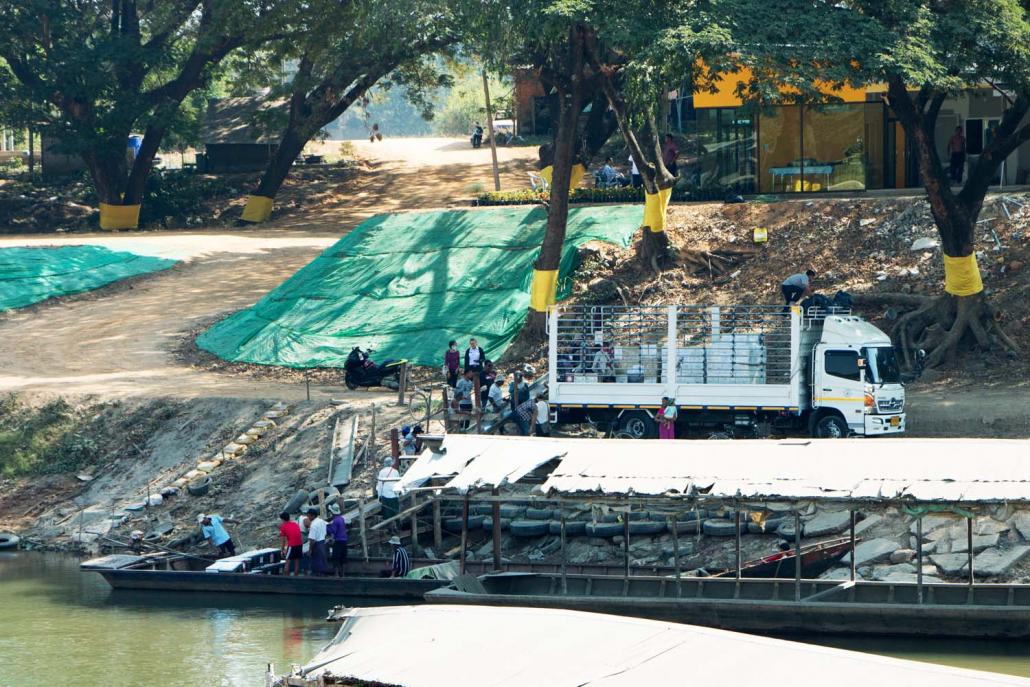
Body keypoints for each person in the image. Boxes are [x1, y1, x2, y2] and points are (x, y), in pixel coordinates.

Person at [304, 508, 329, 576]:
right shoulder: (321, 521)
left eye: (308, 516)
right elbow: (328, 525)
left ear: (312, 516)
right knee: (322, 559)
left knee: (317, 561)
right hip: (323, 542)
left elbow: (312, 540)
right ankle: (323, 574)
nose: (308, 517)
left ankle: (318, 576)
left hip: (317, 544)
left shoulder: (313, 525)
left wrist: (310, 550)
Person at [326, 503, 348, 577]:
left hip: (338, 541)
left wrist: (326, 527)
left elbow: (332, 531)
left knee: (336, 557)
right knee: (343, 558)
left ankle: (336, 574)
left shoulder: (335, 520)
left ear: (332, 512)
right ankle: (343, 574)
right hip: (344, 540)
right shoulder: (341, 519)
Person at [278, 511, 303, 576]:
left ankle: (286, 578)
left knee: (287, 562)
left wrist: (282, 550)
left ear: (283, 519)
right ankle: (296, 578)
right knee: (297, 562)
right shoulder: (295, 524)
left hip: (292, 545)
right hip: (299, 544)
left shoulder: (283, 527)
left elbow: (283, 541)